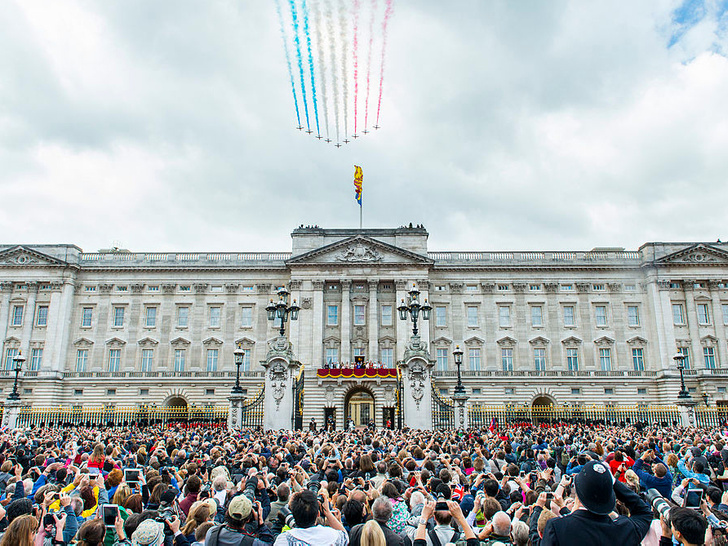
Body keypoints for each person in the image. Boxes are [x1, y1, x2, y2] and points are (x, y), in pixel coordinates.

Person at [540, 461, 652, 546]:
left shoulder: (557, 528)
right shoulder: (624, 529)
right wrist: (612, 482)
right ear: (610, 497)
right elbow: (644, 512)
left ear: (578, 494)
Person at [273, 489, 348, 546]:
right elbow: (345, 537)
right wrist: (327, 512)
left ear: (293, 515)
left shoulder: (284, 540)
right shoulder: (332, 536)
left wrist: (288, 506)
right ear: (318, 514)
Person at [205, 494, 273, 546]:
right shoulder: (252, 543)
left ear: (227, 513)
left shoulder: (211, 533)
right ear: (248, 519)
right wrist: (261, 523)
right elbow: (269, 543)